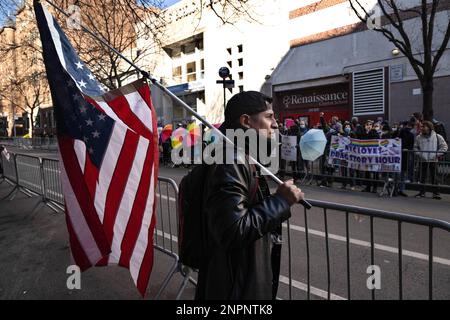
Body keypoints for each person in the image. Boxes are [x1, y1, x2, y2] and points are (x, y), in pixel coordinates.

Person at [195, 91, 305, 300]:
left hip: (237, 278)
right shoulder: (230, 160)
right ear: (246, 121)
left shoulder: (240, 155)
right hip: (234, 286)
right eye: (269, 116)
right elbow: (233, 230)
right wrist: (281, 201)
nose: (275, 124)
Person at [414, 121, 448, 199]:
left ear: (429, 127)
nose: (421, 128)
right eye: (421, 126)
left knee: (434, 177)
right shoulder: (418, 137)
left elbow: (444, 147)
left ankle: (436, 193)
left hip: (433, 160)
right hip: (423, 160)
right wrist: (420, 154)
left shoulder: (437, 136)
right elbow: (415, 147)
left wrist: (436, 154)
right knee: (422, 177)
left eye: (423, 126)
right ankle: (422, 192)